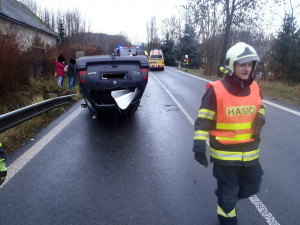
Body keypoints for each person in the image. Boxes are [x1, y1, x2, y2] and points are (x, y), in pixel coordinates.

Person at [193, 42, 266, 225]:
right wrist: (199, 146)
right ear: (232, 64)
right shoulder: (216, 91)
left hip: (250, 153)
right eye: (242, 64)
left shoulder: (255, 87)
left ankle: (227, 197)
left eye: (250, 64)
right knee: (229, 196)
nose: (247, 68)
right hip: (225, 156)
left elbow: (260, 107)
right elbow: (203, 120)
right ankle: (226, 215)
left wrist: (260, 119)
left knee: (253, 186)